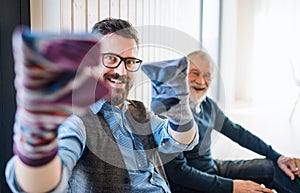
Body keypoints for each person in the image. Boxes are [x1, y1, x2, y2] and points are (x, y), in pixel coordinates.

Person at [5, 18, 198, 193]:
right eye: (111, 59)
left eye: (129, 61)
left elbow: (180, 141)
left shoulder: (138, 111)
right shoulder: (77, 120)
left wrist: (179, 112)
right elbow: (39, 186)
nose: (121, 70)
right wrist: (38, 138)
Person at [162, 50, 300, 193]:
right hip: (192, 186)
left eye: (207, 76)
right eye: (195, 73)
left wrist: (279, 157)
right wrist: (233, 186)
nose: (201, 81)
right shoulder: (170, 113)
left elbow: (238, 133)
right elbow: (179, 174)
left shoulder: (207, 105)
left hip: (212, 169)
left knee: (273, 168)